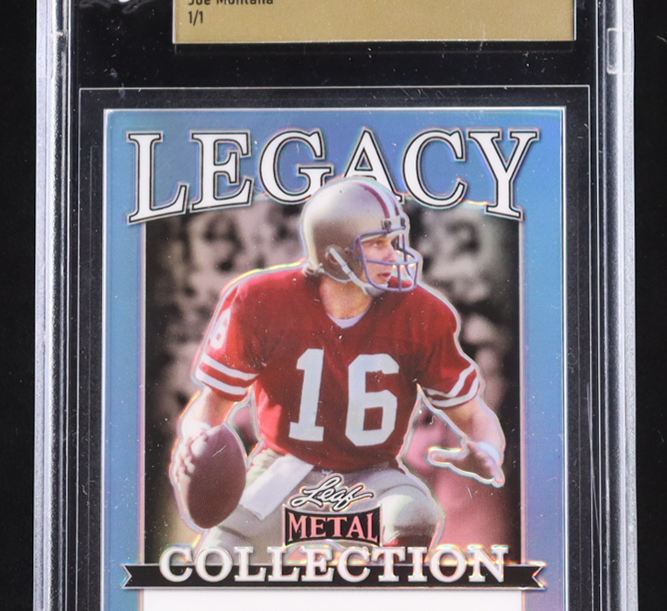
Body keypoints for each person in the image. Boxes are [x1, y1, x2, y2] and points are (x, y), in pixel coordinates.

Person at [171, 178, 505, 562]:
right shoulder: (260, 300)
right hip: (284, 468)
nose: (394, 254)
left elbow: (473, 415)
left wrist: (487, 449)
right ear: (335, 255)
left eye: (393, 241)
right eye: (377, 243)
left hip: (372, 476)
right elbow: (212, 405)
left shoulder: (422, 313)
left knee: (412, 516)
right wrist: (196, 437)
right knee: (220, 556)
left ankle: (380, 593)